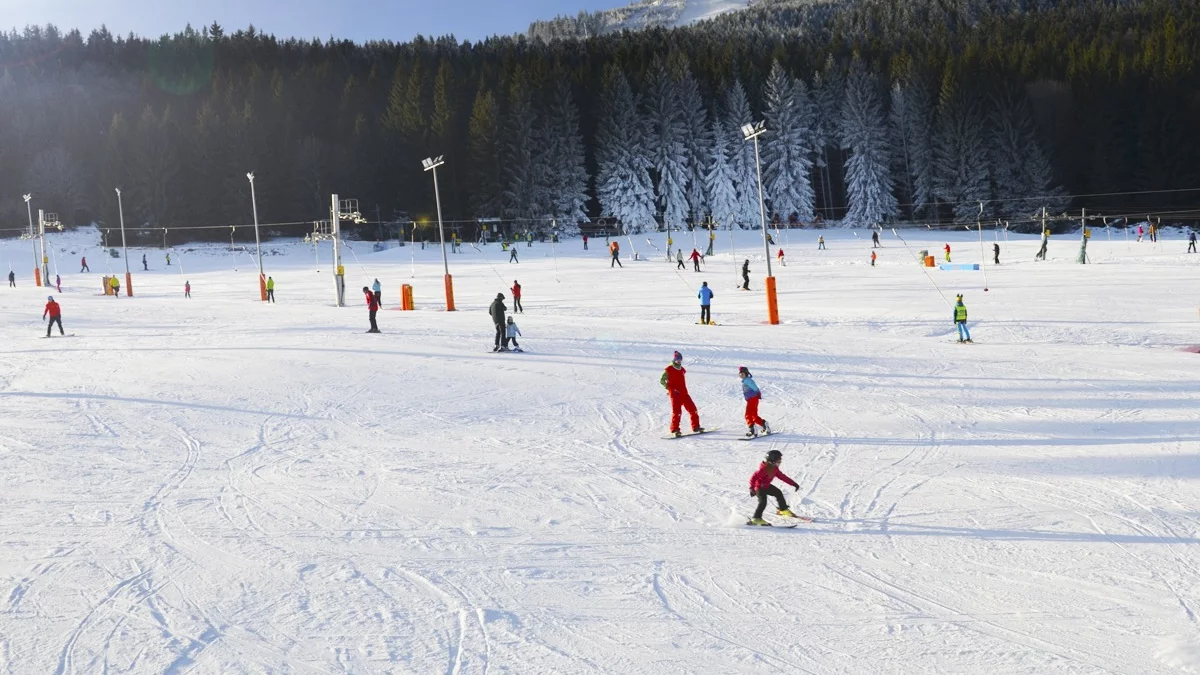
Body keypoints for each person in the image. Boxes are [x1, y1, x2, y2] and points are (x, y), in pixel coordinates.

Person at [747, 450, 799, 526]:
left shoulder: (774, 468)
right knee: (763, 502)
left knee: (778, 493)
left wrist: (793, 483)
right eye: (779, 460)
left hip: (766, 486)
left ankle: (783, 509)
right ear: (772, 460)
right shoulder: (764, 469)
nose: (780, 462)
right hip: (759, 487)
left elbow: (782, 476)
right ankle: (756, 518)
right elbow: (753, 477)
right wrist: (751, 488)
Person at [660, 351, 702, 437]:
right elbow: (662, 380)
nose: (679, 361)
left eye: (680, 359)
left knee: (693, 409)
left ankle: (696, 427)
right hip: (675, 394)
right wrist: (669, 388)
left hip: (684, 393)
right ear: (674, 359)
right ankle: (674, 429)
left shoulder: (682, 369)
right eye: (677, 359)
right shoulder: (669, 369)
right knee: (677, 412)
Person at [739, 366, 770, 437]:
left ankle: (752, 430)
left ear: (746, 373)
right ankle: (764, 424)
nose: (741, 375)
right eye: (740, 373)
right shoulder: (746, 380)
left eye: (742, 373)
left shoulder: (747, 380)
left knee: (748, 414)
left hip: (752, 399)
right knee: (754, 415)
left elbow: (755, 387)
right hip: (753, 399)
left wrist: (758, 392)